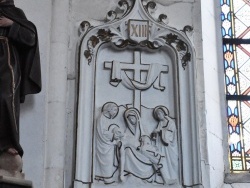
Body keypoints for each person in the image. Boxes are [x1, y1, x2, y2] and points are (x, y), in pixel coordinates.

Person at [0, 0, 41, 157]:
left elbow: (30, 37)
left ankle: (9, 143)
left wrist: (11, 24)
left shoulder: (15, 13)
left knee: (6, 97)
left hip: (7, 60)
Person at [95, 102, 123, 184]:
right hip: (104, 144)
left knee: (107, 160)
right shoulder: (101, 118)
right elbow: (102, 132)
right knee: (107, 160)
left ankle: (100, 176)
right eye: (114, 110)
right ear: (109, 109)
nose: (115, 112)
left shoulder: (106, 119)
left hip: (107, 143)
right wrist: (113, 136)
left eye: (116, 110)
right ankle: (106, 177)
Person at [152, 106, 179, 185]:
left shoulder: (170, 122)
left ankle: (172, 177)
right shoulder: (160, 123)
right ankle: (164, 179)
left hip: (169, 146)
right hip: (161, 145)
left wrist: (160, 132)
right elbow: (158, 133)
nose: (158, 116)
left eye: (159, 114)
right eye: (156, 114)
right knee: (162, 160)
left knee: (170, 161)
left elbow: (170, 133)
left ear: (163, 113)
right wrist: (155, 133)